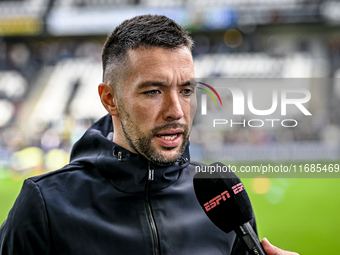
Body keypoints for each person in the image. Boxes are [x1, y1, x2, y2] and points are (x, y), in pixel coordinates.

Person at [0, 15, 298, 255]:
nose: (176, 111)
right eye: (154, 91)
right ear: (109, 99)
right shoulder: (45, 205)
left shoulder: (220, 195)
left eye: (186, 90)